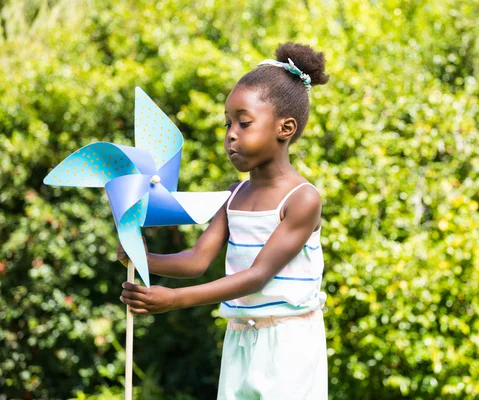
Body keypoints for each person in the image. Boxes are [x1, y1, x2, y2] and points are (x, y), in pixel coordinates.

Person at [118, 41, 330, 399]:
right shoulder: (234, 195)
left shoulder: (302, 199)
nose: (231, 133)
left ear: (286, 128)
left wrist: (175, 299)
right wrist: (140, 258)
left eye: (244, 123)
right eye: (227, 123)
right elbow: (198, 260)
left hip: (289, 343)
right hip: (240, 337)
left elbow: (256, 275)